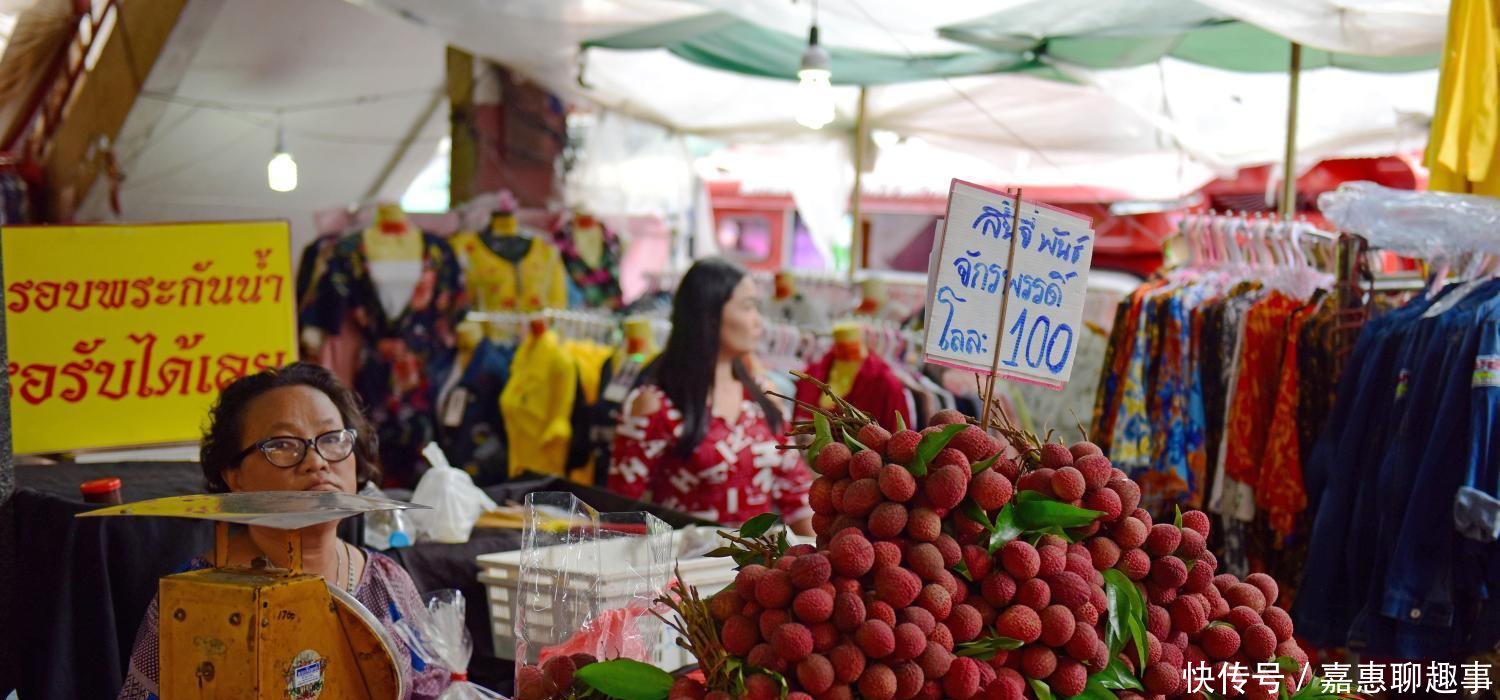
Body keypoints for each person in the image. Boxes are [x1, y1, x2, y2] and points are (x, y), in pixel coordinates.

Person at [118, 363, 449, 699]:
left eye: (332, 439)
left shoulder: (387, 582)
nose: (316, 461)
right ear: (234, 476)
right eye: (283, 445)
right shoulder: (196, 599)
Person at [609, 257, 814, 534]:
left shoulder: (766, 398)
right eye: (748, 307)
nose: (758, 322)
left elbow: (797, 498)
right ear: (709, 314)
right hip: (686, 572)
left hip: (756, 568)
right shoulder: (655, 406)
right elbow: (620, 515)